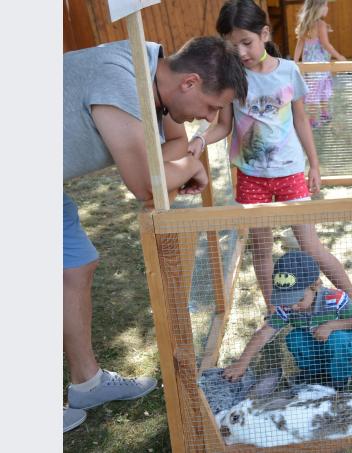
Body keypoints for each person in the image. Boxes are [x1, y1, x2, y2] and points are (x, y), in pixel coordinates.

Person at [63, 36, 248, 432]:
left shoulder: (154, 68)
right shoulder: (121, 79)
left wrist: (185, 162)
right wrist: (190, 168)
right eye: (210, 107)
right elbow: (148, 186)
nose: (206, 118)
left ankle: (87, 382)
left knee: (75, 268)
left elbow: (175, 146)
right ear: (190, 83)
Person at [191, 0, 352, 316]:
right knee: (262, 249)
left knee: (310, 245)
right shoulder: (233, 78)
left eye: (247, 42)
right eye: (233, 46)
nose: (241, 52)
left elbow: (301, 120)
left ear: (264, 34)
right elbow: (224, 126)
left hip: (290, 173)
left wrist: (314, 164)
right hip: (251, 176)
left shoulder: (288, 71)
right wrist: (201, 138)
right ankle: (275, 310)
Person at [222, 251, 352, 390]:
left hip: (342, 336)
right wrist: (242, 363)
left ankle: (338, 380)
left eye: (299, 299)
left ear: (315, 286)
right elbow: (264, 333)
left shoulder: (335, 298)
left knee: (338, 341)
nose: (293, 307)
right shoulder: (287, 307)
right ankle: (313, 373)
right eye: (287, 300)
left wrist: (330, 326)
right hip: (312, 338)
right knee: (294, 338)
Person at [293, 0, 346, 128]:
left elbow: (299, 45)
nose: (327, 8)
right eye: (326, 5)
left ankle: (319, 116)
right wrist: (339, 56)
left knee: (314, 92)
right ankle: (319, 116)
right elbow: (326, 44)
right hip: (320, 66)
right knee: (322, 90)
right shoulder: (320, 24)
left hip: (310, 68)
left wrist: (294, 62)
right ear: (318, 7)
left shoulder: (305, 24)